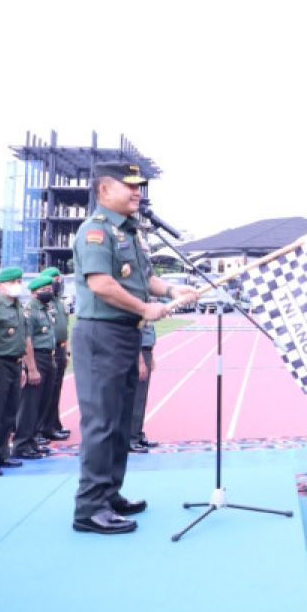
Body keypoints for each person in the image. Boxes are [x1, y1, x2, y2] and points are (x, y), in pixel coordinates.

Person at [71, 162, 195, 534]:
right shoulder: (95, 231)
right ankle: (89, 508)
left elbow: (146, 278)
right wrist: (144, 308)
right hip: (101, 335)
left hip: (125, 334)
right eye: (130, 186)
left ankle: (110, 494)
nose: (138, 192)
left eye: (140, 186)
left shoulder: (130, 233)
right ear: (105, 190)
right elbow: (101, 284)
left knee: (121, 421)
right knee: (102, 423)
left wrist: (173, 291)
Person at [0, 268, 40, 476]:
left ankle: (3, 454)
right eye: (12, 281)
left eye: (19, 280)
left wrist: (23, 366)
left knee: (9, 414)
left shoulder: (19, 307)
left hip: (14, 363)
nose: (17, 284)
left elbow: (22, 340)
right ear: (0, 285)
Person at [14, 275, 58, 460]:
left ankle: (32, 441)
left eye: (49, 288)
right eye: (44, 289)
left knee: (42, 403)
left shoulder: (46, 309)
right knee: (30, 405)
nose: (48, 291)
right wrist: (31, 368)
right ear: (34, 292)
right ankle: (22, 444)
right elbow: (27, 340)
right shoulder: (30, 310)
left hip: (48, 357)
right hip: (36, 358)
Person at [39, 267, 71, 442]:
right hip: (47, 349)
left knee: (55, 389)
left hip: (60, 348)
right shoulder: (46, 301)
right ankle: (42, 427)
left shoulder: (59, 301)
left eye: (59, 279)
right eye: (54, 279)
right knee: (45, 391)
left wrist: (66, 350)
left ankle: (53, 424)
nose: (57, 283)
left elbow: (63, 326)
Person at [129, 322, 156, 454]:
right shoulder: (138, 309)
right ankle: (131, 438)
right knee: (137, 398)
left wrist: (151, 355)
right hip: (138, 353)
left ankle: (137, 434)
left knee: (142, 397)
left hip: (146, 351)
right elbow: (135, 335)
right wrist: (140, 361)